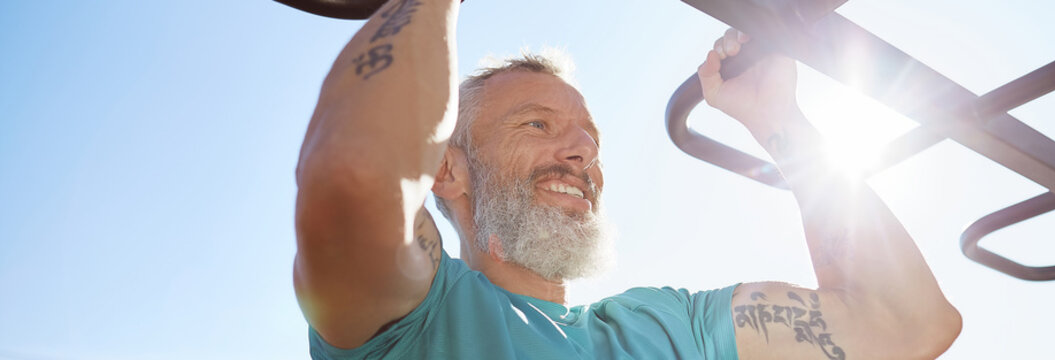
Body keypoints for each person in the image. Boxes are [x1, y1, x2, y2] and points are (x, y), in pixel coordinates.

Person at [291, 0, 963, 358]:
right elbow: (353, 176)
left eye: (590, 137)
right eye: (537, 125)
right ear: (448, 169)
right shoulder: (416, 320)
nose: (582, 149)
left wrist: (779, 122)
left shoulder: (667, 328)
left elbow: (906, 325)